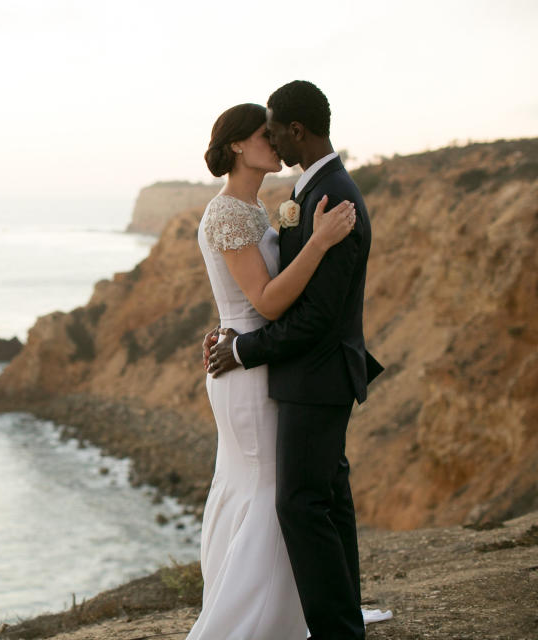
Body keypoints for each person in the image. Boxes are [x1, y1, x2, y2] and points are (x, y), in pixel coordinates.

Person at [202, 81, 385, 640]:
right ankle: (253, 614)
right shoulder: (240, 212)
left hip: (275, 361)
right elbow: (264, 299)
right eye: (263, 134)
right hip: (255, 366)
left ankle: (306, 615)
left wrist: (237, 341)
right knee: (269, 490)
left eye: (276, 129)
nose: (274, 143)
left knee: (291, 494)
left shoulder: (274, 206)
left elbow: (285, 303)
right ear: (238, 146)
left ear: (297, 128)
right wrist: (233, 338)